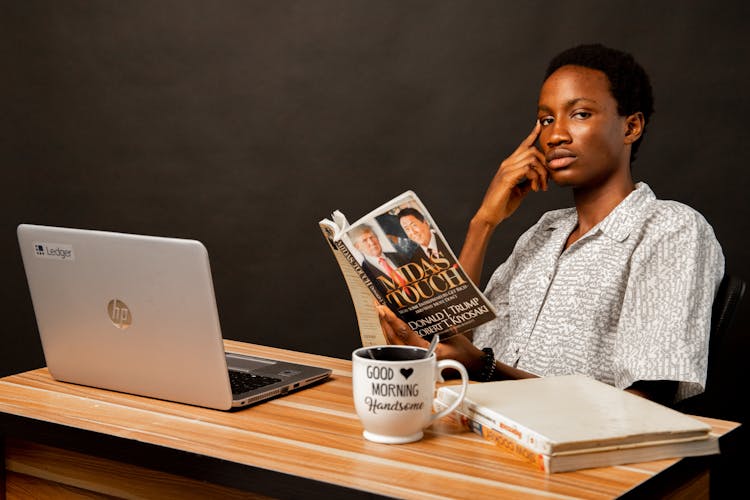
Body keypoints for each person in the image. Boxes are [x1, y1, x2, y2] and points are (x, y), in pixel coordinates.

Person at [378, 43, 724, 406]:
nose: (556, 134)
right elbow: (448, 342)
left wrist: (485, 368)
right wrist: (483, 222)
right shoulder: (545, 232)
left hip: (575, 454)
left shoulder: (670, 229)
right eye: (546, 120)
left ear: (631, 126)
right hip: (476, 431)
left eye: (580, 114)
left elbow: (644, 405)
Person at [350, 224, 412, 296]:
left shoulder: (400, 256)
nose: (372, 242)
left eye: (372, 237)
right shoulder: (362, 273)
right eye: (364, 240)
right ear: (357, 247)